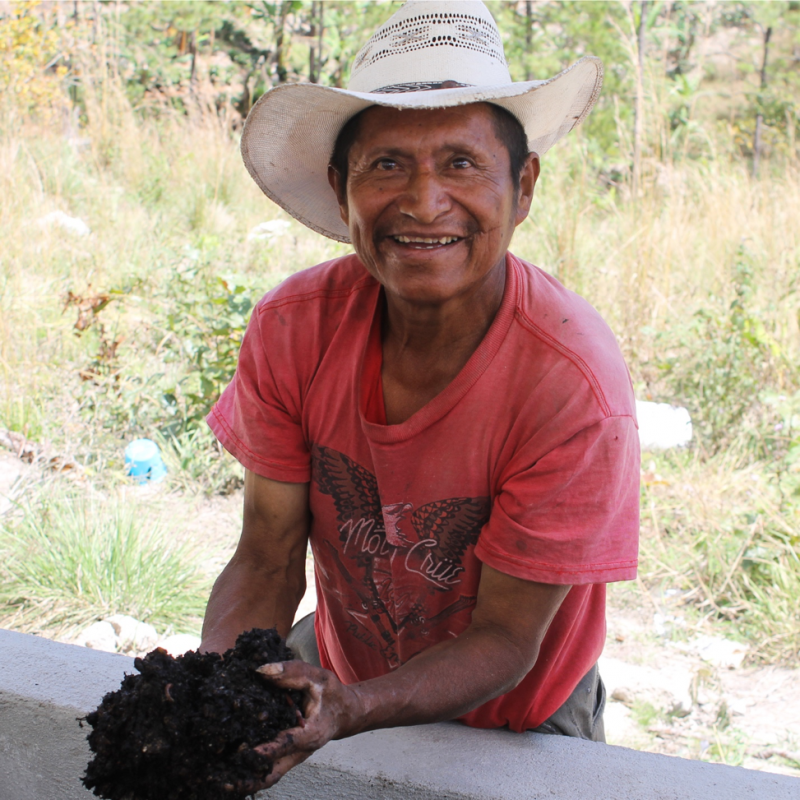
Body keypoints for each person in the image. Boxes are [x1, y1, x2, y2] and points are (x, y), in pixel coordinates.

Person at [200, 0, 639, 790]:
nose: (424, 202)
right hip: (344, 669)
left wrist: (351, 709)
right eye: (387, 164)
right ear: (342, 190)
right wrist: (215, 694)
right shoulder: (292, 328)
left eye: (462, 163)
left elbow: (506, 638)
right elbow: (266, 557)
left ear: (524, 183)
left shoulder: (570, 383)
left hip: (519, 711)